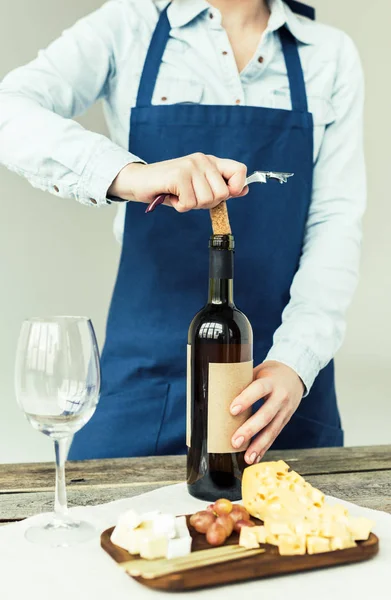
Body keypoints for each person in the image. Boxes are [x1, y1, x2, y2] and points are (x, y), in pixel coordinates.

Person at [0, 0, 366, 463]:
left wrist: (295, 362)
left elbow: (335, 222)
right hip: (148, 381)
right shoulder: (128, 25)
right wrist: (130, 174)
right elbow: (8, 111)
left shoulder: (329, 54)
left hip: (277, 387)